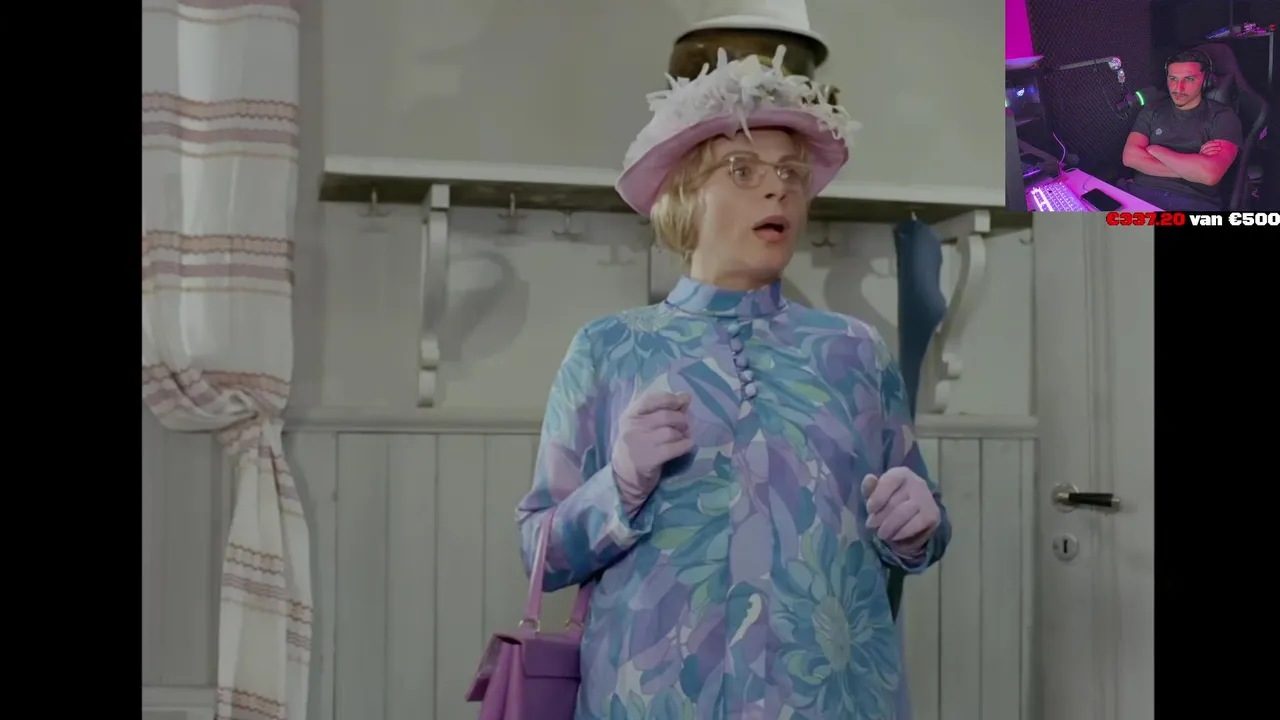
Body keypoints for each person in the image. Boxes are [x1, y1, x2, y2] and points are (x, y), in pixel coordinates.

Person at [515, 46, 951, 720]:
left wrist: (920, 526)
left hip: (834, 702)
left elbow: (922, 529)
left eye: (790, 173)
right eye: (743, 170)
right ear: (684, 194)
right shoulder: (608, 350)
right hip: (654, 703)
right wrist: (619, 486)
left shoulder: (856, 352)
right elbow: (539, 554)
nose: (777, 190)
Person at [1120, 49, 1243, 211]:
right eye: (1173, 79)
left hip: (1191, 201)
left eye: (1189, 79)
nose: (1178, 88)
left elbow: (1209, 174)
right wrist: (1193, 170)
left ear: (1206, 80)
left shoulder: (1222, 117)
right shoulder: (1152, 110)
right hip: (1138, 193)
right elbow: (1129, 157)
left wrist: (1155, 150)